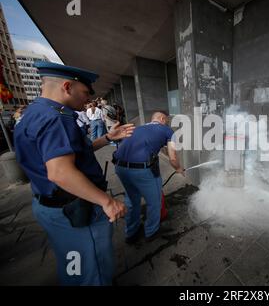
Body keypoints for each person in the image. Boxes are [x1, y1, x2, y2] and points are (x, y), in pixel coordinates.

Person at [14, 61, 134, 286]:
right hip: (76, 210)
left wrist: (108, 138)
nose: (88, 99)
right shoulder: (56, 118)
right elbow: (60, 172)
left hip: (52, 208)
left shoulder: (34, 113)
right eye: (85, 92)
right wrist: (107, 201)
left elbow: (75, 152)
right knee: (92, 270)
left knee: (73, 263)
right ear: (67, 87)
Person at [112, 110, 184, 244]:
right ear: (162, 119)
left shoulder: (138, 128)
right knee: (154, 201)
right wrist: (179, 169)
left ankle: (131, 233)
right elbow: (173, 158)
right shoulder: (168, 131)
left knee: (132, 200)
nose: (167, 123)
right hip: (142, 171)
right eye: (166, 120)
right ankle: (151, 231)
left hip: (120, 168)